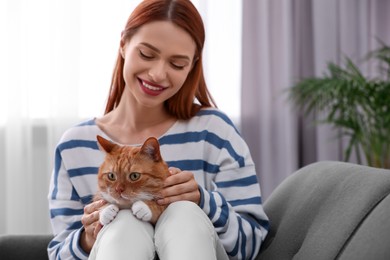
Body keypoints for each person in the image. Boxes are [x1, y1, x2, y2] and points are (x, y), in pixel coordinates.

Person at [47, 0, 269, 259]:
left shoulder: (215, 132)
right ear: (123, 44)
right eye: (147, 54)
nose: (158, 74)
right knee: (124, 222)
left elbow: (252, 244)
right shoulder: (75, 145)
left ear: (192, 65)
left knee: (183, 213)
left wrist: (202, 201)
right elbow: (59, 254)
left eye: (177, 64)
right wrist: (88, 237)